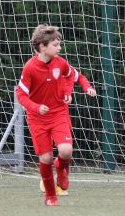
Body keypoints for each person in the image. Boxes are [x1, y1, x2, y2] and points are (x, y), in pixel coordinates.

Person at [16, 24, 75, 206]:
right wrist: (35, 107)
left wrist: (67, 91)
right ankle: (50, 196)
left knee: (65, 150)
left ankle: (62, 168)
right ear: (42, 47)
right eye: (55, 45)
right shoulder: (30, 68)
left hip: (57, 114)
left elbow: (70, 75)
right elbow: (21, 95)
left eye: (59, 45)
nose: (59, 48)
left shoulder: (60, 62)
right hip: (37, 118)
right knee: (46, 158)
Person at [39, 65, 96, 196]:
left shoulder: (62, 66)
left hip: (61, 116)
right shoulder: (34, 69)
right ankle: (45, 176)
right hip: (42, 117)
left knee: (66, 151)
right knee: (46, 151)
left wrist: (87, 87)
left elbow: (79, 77)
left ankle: (60, 184)